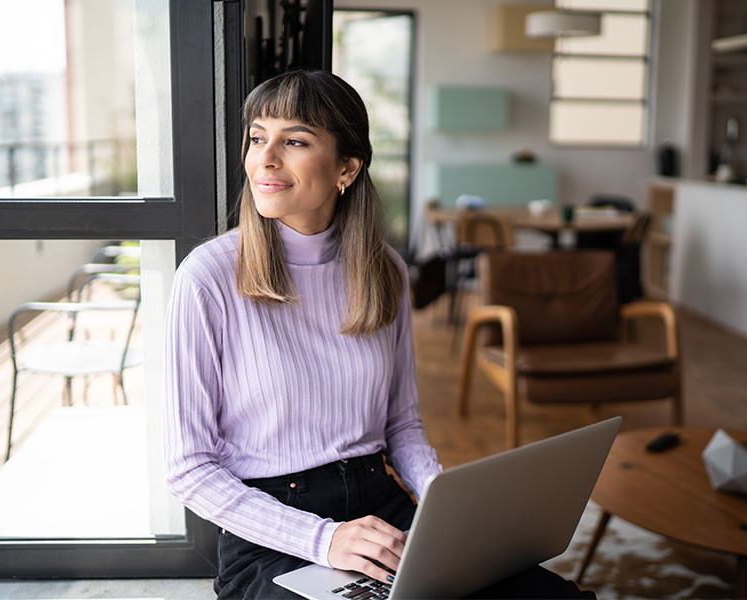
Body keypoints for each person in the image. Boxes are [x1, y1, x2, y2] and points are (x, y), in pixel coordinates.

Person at [164, 70, 591, 599]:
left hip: (382, 503)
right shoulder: (206, 277)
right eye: (257, 137)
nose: (264, 159)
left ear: (347, 167)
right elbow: (189, 468)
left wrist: (446, 506)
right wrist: (325, 539)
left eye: (294, 140)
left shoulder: (384, 269)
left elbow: (402, 425)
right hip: (274, 529)